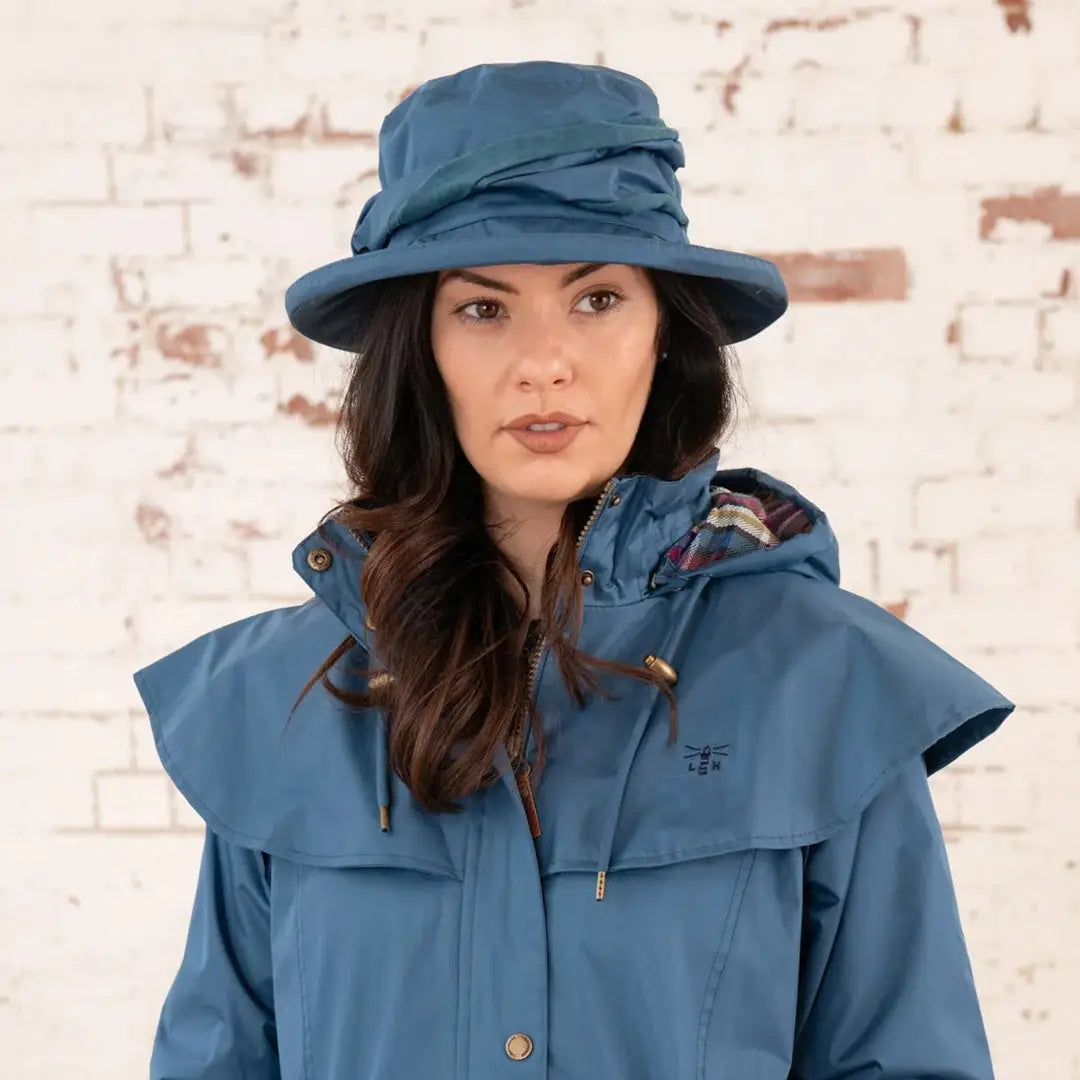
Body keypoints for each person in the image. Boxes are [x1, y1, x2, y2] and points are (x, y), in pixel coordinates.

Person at [133, 60, 1015, 1079]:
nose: (544, 362)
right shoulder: (279, 705)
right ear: (419, 348)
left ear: (663, 335)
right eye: (483, 309)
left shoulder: (825, 688)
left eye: (596, 299)